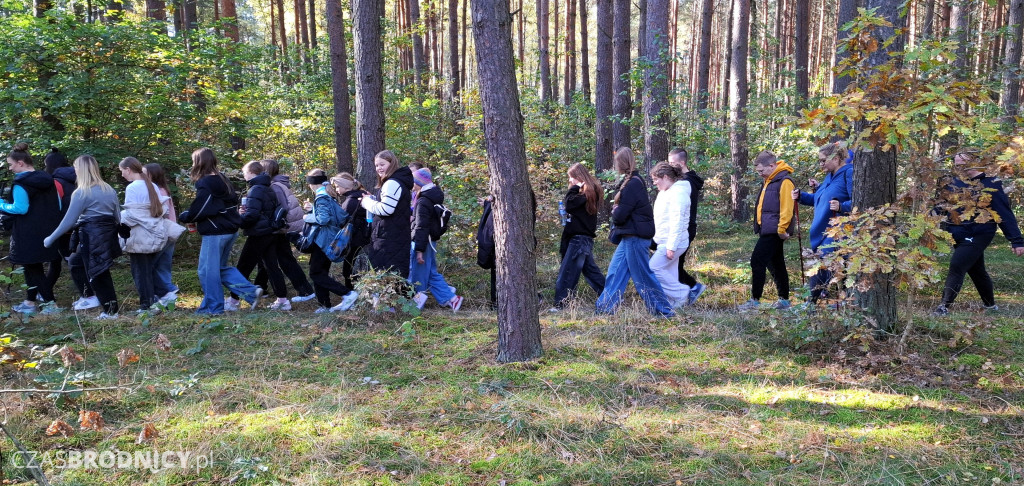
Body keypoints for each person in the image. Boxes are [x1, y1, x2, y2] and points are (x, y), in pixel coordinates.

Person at [934, 152, 1024, 315]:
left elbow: (1004, 213)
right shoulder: (953, 183)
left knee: (957, 265)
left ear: (975, 162)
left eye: (962, 162)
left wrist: (1016, 240)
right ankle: (990, 306)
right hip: (957, 232)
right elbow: (941, 206)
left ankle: (943, 307)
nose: (959, 166)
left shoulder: (990, 184)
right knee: (976, 270)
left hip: (979, 233)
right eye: (956, 163)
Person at [178, 148, 263, 315]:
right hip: (229, 229)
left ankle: (213, 307)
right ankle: (251, 292)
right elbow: (218, 206)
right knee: (218, 269)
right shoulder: (222, 179)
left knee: (206, 271)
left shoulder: (206, 183)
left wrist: (188, 216)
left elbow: (202, 207)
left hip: (216, 232)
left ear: (198, 162)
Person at [595, 147, 675, 317]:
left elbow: (620, 216)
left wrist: (614, 210)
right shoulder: (632, 182)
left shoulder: (632, 184)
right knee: (615, 272)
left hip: (636, 238)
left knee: (643, 277)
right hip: (629, 237)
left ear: (621, 164)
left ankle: (664, 311)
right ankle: (604, 308)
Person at [43, 155, 122, 319]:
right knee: (76, 261)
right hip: (107, 234)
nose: (74, 170)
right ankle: (92, 298)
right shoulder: (109, 189)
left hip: (90, 235)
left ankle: (110, 311)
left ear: (81, 170)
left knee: (98, 271)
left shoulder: (81, 192)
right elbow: (117, 216)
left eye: (75, 167)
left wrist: (51, 238)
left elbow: (68, 221)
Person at [1, 143, 63, 315]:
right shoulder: (48, 179)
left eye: (11, 164)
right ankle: (29, 302)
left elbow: (20, 208)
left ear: (20, 163)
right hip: (47, 230)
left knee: (33, 269)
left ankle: (51, 305)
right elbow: (57, 205)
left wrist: (1, 204)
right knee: (32, 266)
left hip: (27, 232)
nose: (10, 168)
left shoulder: (21, 182)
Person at [792, 141, 853, 303]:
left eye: (823, 160)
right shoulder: (829, 177)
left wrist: (842, 206)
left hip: (839, 229)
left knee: (825, 262)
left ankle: (812, 302)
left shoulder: (849, 173)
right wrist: (802, 197)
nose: (821, 164)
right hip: (821, 229)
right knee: (824, 262)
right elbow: (819, 200)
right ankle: (822, 300)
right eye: (819, 160)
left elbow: (859, 201)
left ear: (837, 158)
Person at [228, 161, 290, 311]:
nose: (243, 175)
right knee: (271, 266)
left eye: (244, 172)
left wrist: (239, 219)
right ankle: (283, 300)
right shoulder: (267, 187)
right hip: (269, 232)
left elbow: (253, 215)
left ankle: (233, 302)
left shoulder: (256, 189)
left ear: (251, 173)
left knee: (243, 266)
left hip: (259, 233)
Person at [738, 151, 796, 311]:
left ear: (772, 165)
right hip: (767, 228)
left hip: (775, 230)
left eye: (761, 170)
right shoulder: (769, 180)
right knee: (776, 263)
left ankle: (755, 300)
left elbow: (787, 208)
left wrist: (782, 229)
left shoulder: (784, 181)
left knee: (757, 261)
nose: (760, 174)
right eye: (758, 171)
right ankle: (784, 300)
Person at [256, 159, 315, 305]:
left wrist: (275, 223)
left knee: (284, 260)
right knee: (269, 259)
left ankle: (305, 290)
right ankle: (260, 288)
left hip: (281, 229)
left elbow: (282, 208)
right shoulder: (277, 184)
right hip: (282, 228)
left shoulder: (275, 186)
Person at [550, 163, 605, 311]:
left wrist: (574, 187)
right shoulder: (589, 192)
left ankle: (561, 304)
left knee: (567, 272)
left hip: (579, 239)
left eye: (571, 178)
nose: (570, 181)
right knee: (591, 272)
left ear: (578, 177)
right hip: (582, 238)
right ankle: (611, 296)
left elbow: (569, 204)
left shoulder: (585, 193)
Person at [118, 157, 170, 315]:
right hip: (153, 234)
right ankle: (156, 300)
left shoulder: (133, 188)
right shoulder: (152, 185)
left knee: (139, 271)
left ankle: (146, 306)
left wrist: (120, 218)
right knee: (147, 269)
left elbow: (132, 214)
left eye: (122, 171)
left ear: (128, 169)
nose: (122, 175)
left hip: (139, 236)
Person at [303, 169, 358, 313]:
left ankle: (347, 293)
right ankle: (324, 305)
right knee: (321, 272)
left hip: (323, 240)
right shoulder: (329, 195)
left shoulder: (321, 197)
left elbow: (323, 219)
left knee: (315, 273)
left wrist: (307, 217)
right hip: (329, 239)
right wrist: (311, 210)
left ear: (311, 184)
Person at [409, 168, 463, 311]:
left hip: (423, 242)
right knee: (431, 272)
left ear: (419, 183)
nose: (411, 184)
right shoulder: (432, 197)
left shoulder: (423, 201)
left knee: (418, 274)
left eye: (413, 181)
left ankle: (416, 304)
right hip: (430, 241)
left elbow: (421, 226)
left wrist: (419, 249)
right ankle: (451, 298)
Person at [361, 150, 414, 278]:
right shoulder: (394, 182)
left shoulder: (392, 183)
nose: (379, 168)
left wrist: (366, 203)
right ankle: (414, 297)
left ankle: (416, 297)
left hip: (389, 237)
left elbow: (386, 209)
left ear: (392, 163)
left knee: (389, 277)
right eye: (377, 165)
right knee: (393, 277)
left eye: (382, 164)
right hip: (392, 235)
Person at [649, 162, 692, 310]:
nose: (654, 183)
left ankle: (682, 292)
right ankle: (675, 303)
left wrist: (671, 247)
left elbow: (677, 222)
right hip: (665, 241)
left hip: (674, 243)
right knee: (669, 272)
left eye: (656, 179)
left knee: (653, 268)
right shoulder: (666, 192)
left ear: (666, 177)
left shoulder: (678, 193)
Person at [667, 148, 706, 306]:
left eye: (672, 163)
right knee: (674, 263)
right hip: (684, 226)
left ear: (682, 163)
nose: (670, 166)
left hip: (685, 227)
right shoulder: (684, 179)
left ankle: (692, 288)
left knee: (674, 263)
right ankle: (683, 293)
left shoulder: (687, 182)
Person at [143, 163, 180, 306]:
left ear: (153, 174)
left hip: (164, 232)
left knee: (152, 264)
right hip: (170, 231)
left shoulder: (157, 190)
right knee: (163, 265)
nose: (142, 176)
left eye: (145, 173)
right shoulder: (164, 189)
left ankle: (167, 291)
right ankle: (166, 295)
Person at [44, 148, 77, 302]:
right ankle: (45, 290)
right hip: (76, 224)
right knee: (66, 259)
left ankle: (89, 293)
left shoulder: (55, 182)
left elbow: (53, 207)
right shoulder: (77, 178)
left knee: (63, 260)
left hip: (61, 227)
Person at [331, 172, 371, 291]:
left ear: (346, 186)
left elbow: (342, 221)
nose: (337, 189)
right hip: (364, 238)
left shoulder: (350, 201)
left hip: (354, 240)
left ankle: (351, 293)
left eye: (338, 186)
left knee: (349, 268)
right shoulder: (361, 195)